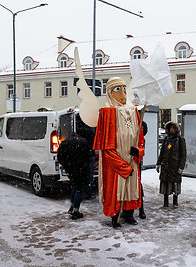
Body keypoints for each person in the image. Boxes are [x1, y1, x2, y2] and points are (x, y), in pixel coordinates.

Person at [93, 77, 145, 229]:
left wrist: (138, 152)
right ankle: (116, 216)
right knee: (116, 190)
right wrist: (121, 166)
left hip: (131, 160)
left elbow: (140, 140)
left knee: (131, 188)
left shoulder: (133, 110)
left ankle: (129, 214)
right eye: (117, 89)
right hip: (116, 164)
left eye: (123, 88)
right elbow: (105, 148)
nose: (122, 93)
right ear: (109, 92)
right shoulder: (107, 113)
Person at [57, 131, 91, 220]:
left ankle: (72, 207)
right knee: (79, 188)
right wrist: (84, 165)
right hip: (81, 169)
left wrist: (66, 166)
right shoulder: (84, 142)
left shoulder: (64, 142)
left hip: (71, 169)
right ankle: (75, 211)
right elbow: (89, 156)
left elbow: (59, 157)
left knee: (75, 186)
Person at [156, 121, 186, 208]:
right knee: (165, 184)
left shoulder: (180, 140)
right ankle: (165, 201)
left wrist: (181, 167)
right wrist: (159, 163)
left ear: (176, 129)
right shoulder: (166, 139)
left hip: (175, 166)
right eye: (170, 128)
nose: (172, 130)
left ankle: (175, 201)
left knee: (175, 184)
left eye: (173, 128)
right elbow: (162, 152)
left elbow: (183, 155)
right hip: (166, 166)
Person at [139, 121, 148, 219]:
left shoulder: (142, 139)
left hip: (137, 165)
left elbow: (141, 152)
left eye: (143, 129)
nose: (141, 130)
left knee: (138, 187)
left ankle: (141, 209)